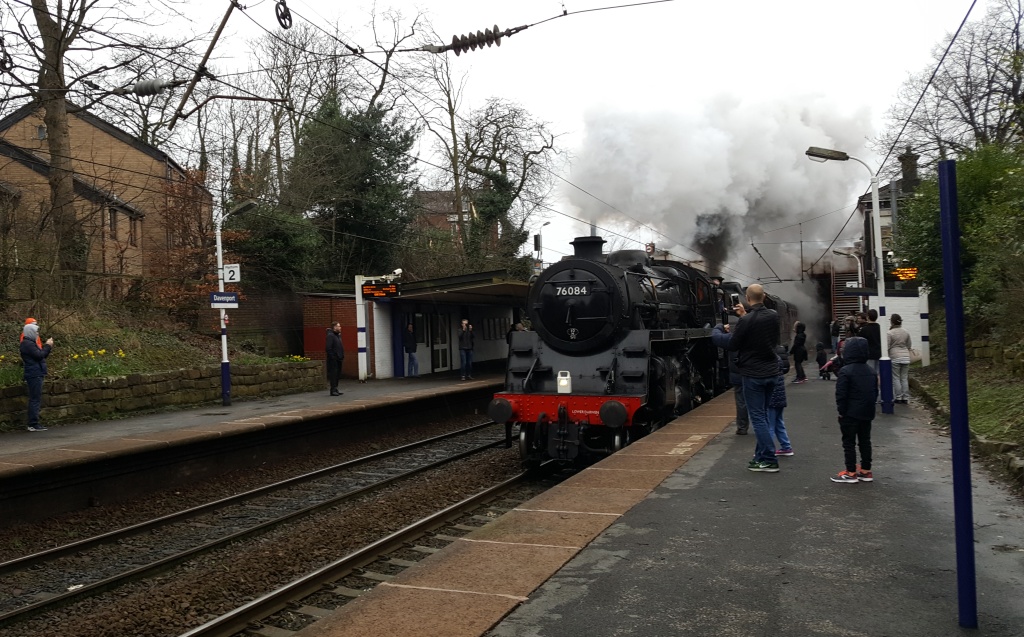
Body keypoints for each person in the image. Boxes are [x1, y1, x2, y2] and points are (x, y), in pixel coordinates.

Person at [727, 283, 781, 472]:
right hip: (771, 372)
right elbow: (758, 325)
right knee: (763, 416)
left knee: (757, 418)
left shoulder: (747, 321)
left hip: (753, 374)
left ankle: (769, 459)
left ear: (748, 299)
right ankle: (760, 457)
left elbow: (734, 344)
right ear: (764, 296)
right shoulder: (774, 316)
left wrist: (718, 333)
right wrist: (745, 315)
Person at [831, 336, 877, 483]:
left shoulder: (845, 371)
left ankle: (851, 472)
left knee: (849, 442)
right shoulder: (871, 371)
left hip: (850, 413)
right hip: (867, 412)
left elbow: (841, 395)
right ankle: (866, 470)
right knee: (865, 441)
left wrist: (841, 412)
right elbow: (875, 392)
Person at [711, 319, 750, 435]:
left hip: (738, 375)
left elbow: (716, 337)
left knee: (741, 402)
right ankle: (764, 426)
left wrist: (719, 327)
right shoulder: (753, 338)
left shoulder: (732, 339)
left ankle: (742, 427)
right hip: (754, 373)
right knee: (758, 400)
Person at [20, 319, 53, 432]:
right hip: (34, 373)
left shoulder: (30, 343)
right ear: (30, 332)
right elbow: (39, 355)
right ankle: (33, 423)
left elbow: (41, 356)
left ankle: (33, 423)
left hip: (36, 372)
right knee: (35, 399)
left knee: (36, 398)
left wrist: (46, 348)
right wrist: (48, 346)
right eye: (36, 332)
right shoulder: (27, 344)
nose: (37, 334)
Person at [769, 345, 794, 456]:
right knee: (779, 423)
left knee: (769, 425)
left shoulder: (768, 363)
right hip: (780, 398)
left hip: (772, 399)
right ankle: (786, 446)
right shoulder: (778, 360)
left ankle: (767, 450)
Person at [887, 314, 913, 404]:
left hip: (895, 356)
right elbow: (909, 344)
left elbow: (887, 345)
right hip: (906, 356)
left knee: (896, 378)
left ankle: (898, 397)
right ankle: (906, 397)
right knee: (904, 378)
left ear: (892, 322)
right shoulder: (906, 332)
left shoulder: (890, 333)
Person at [857, 310, 882, 375]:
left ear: (867, 317)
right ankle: (878, 384)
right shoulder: (880, 328)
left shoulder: (864, 329)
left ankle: (872, 385)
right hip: (879, 353)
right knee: (878, 373)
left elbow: (860, 342)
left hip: (869, 354)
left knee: (870, 373)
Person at [325, 321, 344, 396]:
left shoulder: (338, 336)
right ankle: (332, 390)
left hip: (339, 358)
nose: (340, 327)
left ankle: (336, 389)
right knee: (333, 374)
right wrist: (333, 357)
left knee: (337, 374)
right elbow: (328, 348)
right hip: (333, 359)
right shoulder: (330, 336)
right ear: (335, 327)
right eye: (339, 326)